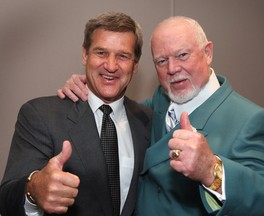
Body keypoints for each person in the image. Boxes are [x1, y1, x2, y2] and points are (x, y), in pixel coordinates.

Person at [56, 16, 264, 215]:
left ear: (208, 53)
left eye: (183, 55)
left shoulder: (250, 119)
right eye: (162, 61)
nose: (172, 69)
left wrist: (212, 170)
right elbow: (117, 113)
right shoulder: (155, 104)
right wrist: (89, 87)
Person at [0, 12, 152, 216]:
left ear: (135, 65)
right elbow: (6, 199)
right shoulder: (41, 115)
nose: (111, 65)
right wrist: (33, 189)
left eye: (123, 56)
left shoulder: (148, 119)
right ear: (85, 54)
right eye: (101, 53)